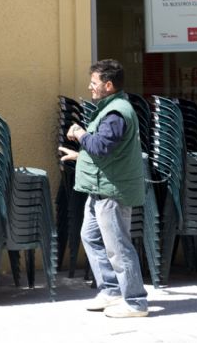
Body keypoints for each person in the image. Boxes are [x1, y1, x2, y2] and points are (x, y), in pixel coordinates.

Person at [58, 59, 148, 318]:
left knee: (118, 247)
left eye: (94, 83)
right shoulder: (110, 109)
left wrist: (79, 133)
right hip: (99, 188)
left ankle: (136, 302)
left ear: (108, 85)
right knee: (91, 236)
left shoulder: (116, 113)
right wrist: (80, 156)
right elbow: (106, 151)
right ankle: (111, 290)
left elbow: (100, 147)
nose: (90, 87)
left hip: (112, 191)